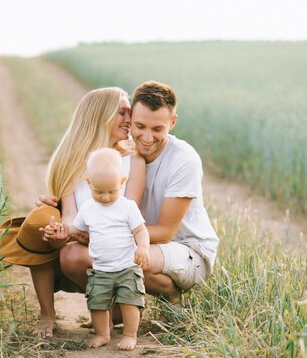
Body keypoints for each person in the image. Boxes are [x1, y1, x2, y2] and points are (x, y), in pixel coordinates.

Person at [42, 80, 219, 306]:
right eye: (140, 126)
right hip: (136, 238)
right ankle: (115, 309)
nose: (146, 137)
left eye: (157, 129)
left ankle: (169, 294)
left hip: (188, 249)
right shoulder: (121, 155)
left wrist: (101, 233)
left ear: (172, 122)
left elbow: (165, 232)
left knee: (126, 258)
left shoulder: (183, 159)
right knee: (78, 256)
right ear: (130, 120)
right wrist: (54, 204)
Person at [0, 87, 146, 338]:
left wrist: (94, 233)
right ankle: (48, 315)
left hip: (116, 242)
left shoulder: (134, 160)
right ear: (100, 115)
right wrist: (61, 231)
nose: (128, 120)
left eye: (129, 113)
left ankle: (113, 308)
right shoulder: (72, 160)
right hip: (81, 239)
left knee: (73, 254)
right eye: (121, 113)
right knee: (40, 229)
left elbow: (129, 212)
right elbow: (69, 213)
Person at [43, 148, 150, 350]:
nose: (106, 197)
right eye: (99, 192)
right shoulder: (88, 208)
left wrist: (143, 247)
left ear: (121, 182)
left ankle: (129, 335)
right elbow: (76, 228)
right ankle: (103, 334)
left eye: (112, 191)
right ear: (89, 183)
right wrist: (61, 229)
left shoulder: (127, 207)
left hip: (127, 267)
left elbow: (140, 230)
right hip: (100, 269)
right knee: (97, 304)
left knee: (130, 302)